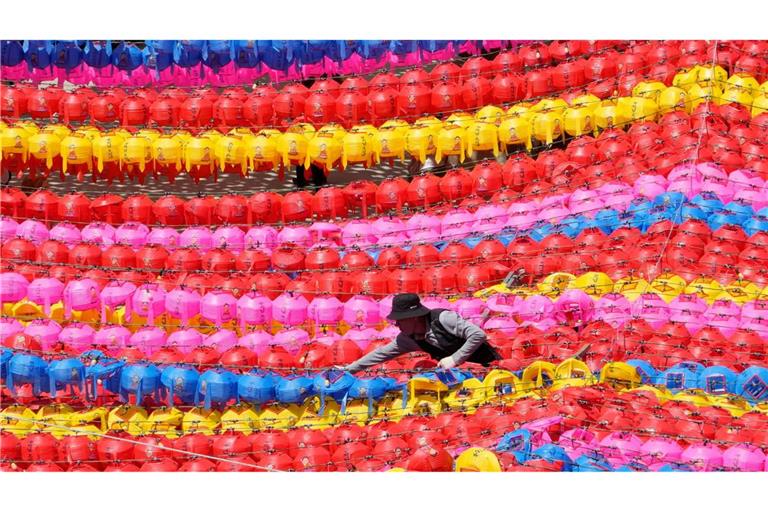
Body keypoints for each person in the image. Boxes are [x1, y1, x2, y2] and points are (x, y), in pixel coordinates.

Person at [344, 293, 500, 373]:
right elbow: (381, 354)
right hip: (464, 375)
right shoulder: (408, 338)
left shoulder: (444, 319)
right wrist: (349, 370)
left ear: (414, 317)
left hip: (490, 366)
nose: (397, 324)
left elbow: (478, 335)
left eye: (400, 319)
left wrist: (455, 359)